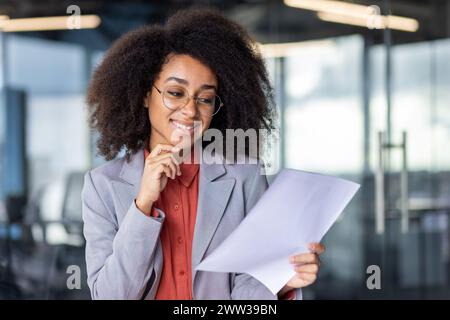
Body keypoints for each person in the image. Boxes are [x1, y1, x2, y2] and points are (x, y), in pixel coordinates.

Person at [82, 7, 325, 300]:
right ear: (146, 94)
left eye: (206, 98)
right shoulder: (102, 186)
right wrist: (143, 203)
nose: (190, 110)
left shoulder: (244, 177)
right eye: (175, 92)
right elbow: (110, 296)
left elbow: (247, 286)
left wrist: (284, 281)